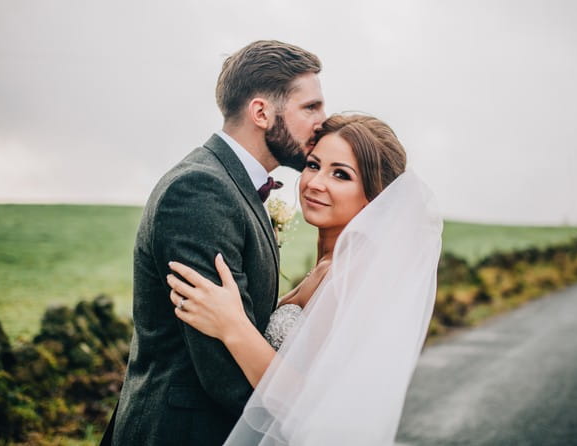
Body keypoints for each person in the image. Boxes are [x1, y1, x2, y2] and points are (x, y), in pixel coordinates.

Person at [167, 114, 443, 444]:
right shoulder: (327, 267)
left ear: (375, 196)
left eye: (341, 174)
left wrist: (232, 326)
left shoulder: (353, 278)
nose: (315, 182)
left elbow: (306, 404)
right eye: (313, 165)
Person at [100, 40, 326, 446]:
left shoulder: (229, 184)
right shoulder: (200, 189)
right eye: (310, 107)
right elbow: (221, 367)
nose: (322, 122)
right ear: (261, 112)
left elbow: (249, 321)